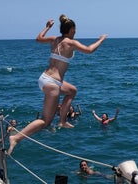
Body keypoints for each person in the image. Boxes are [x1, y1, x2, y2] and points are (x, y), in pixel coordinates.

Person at [8, 14, 107, 155]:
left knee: (72, 90)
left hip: (44, 78)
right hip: (52, 84)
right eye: (74, 30)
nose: (75, 32)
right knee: (45, 121)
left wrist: (47, 27)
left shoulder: (55, 39)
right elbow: (89, 50)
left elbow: (38, 39)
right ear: (71, 30)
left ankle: (62, 121)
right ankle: (16, 138)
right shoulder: (70, 43)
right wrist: (101, 39)